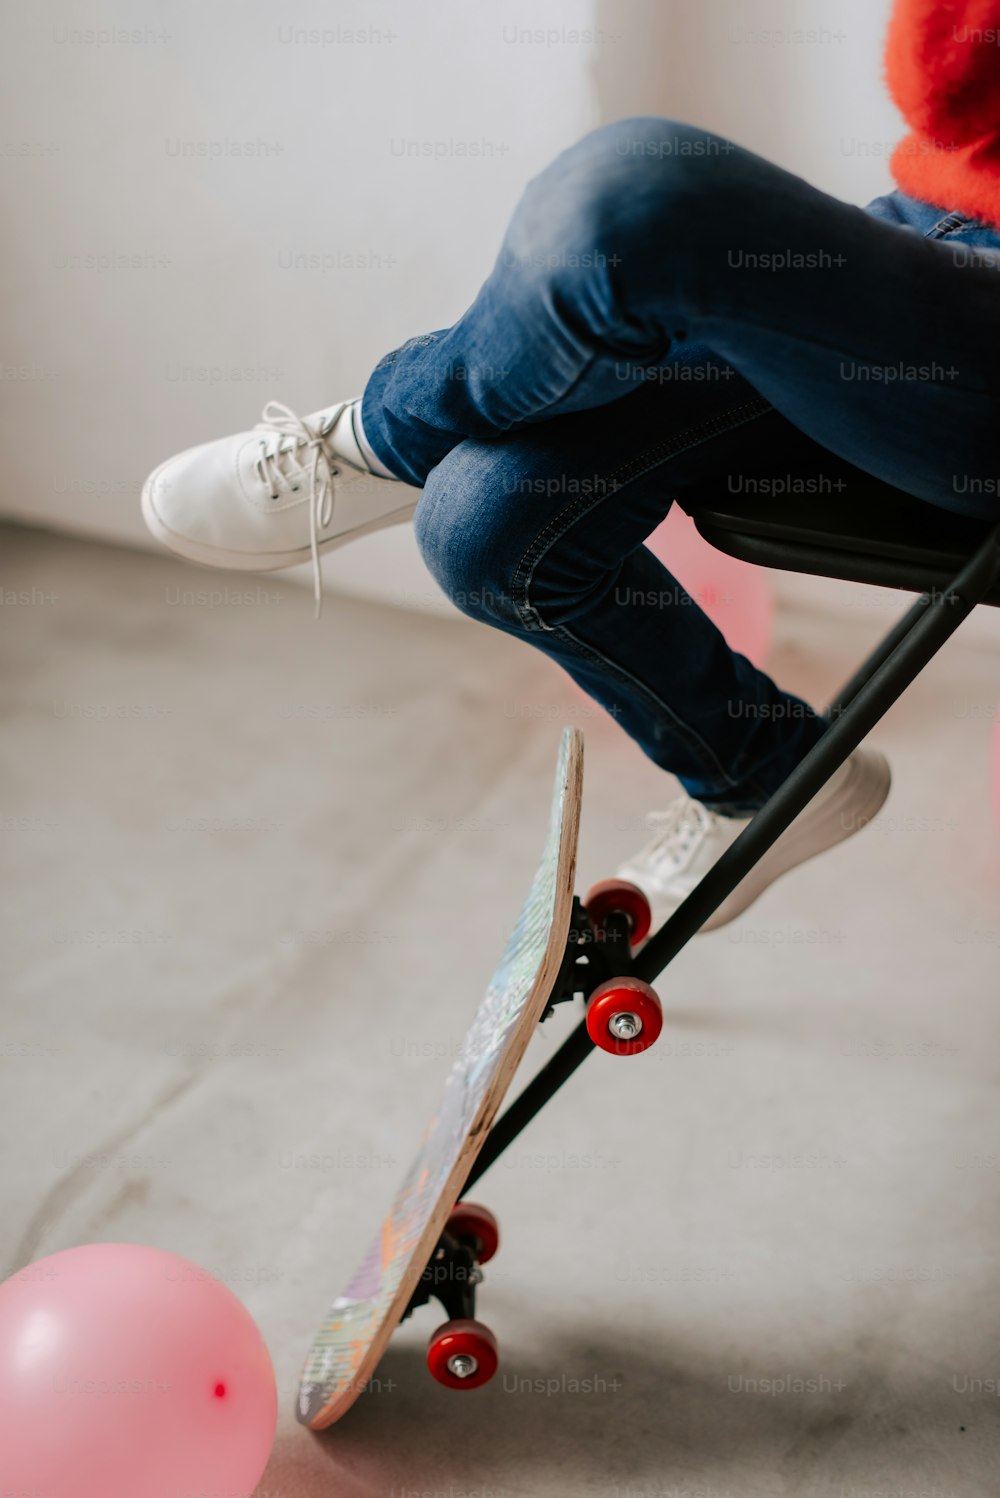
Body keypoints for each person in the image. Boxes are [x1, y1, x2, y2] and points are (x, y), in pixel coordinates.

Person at [140, 0, 1000, 931]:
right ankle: (760, 772)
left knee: (637, 196)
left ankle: (384, 441)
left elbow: (939, 71)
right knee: (485, 523)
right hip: (934, 240)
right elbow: (956, 101)